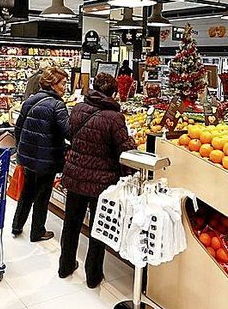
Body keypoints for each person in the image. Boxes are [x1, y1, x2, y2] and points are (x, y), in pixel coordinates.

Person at [58, 73, 136, 288]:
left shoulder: (78, 108)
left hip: (75, 176)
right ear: (113, 92)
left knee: (71, 224)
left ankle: (65, 266)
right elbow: (124, 150)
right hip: (101, 182)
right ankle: (93, 276)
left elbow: (71, 135)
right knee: (97, 227)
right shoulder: (114, 118)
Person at [12, 66, 70, 242]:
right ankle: (37, 231)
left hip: (28, 156)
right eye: (63, 83)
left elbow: (18, 128)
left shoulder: (31, 100)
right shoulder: (57, 105)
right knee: (42, 195)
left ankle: (17, 225)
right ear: (53, 84)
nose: (65, 87)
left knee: (27, 191)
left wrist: (22, 148)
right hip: (47, 158)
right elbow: (67, 132)